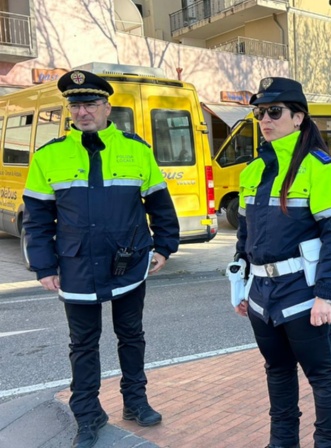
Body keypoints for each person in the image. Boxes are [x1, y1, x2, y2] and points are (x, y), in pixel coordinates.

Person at [22, 70, 179, 448]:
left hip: (129, 262)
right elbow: (37, 219)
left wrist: (164, 246)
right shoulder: (49, 156)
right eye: (75, 105)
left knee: (131, 335)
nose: (82, 112)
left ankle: (135, 401)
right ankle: (88, 414)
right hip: (76, 265)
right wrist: (44, 266)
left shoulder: (136, 149)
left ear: (108, 107)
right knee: (83, 343)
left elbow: (160, 203)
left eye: (90, 104)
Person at [233, 77, 331, 448]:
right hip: (261, 294)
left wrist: (326, 295)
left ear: (298, 117)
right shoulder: (252, 171)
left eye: (274, 112)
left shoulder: (321, 168)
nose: (265, 120)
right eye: (259, 113)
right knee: (278, 373)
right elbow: (245, 235)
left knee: (323, 377)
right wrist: (242, 285)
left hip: (303, 294)